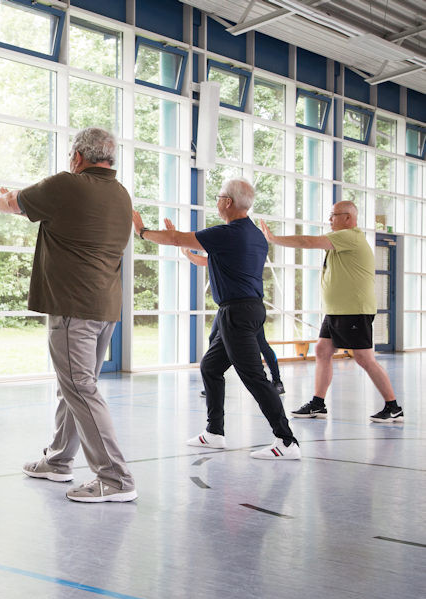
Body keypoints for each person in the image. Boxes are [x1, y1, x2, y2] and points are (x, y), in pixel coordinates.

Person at [0, 127, 138, 503]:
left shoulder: (68, 184)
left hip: (73, 308)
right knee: (74, 386)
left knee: (80, 388)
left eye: (71, 155)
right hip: (104, 308)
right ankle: (59, 460)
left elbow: (13, 203)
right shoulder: (120, 194)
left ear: (78, 157)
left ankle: (115, 479)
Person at [132, 178, 300, 460]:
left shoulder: (228, 232)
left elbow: (176, 237)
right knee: (211, 367)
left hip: (237, 313)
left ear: (229, 202)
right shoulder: (254, 236)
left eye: (219, 196)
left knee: (255, 378)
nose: (217, 200)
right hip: (245, 310)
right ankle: (214, 432)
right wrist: (183, 245)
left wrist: (143, 231)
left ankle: (286, 441)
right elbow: (206, 258)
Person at [260, 201, 404, 423]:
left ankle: (393, 407)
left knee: (365, 359)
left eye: (333, 215)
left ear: (348, 218)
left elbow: (308, 242)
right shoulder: (340, 241)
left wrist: (274, 239)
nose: (329, 219)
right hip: (337, 311)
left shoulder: (350, 236)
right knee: (322, 350)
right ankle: (318, 404)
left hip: (353, 311)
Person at [168, 220, 284, 397]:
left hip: (245, 306)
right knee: (213, 337)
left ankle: (277, 381)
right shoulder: (221, 250)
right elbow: (201, 261)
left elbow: (199, 255)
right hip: (228, 307)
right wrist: (184, 248)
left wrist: (178, 240)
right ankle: (212, 379)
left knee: (261, 344)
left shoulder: (237, 243)